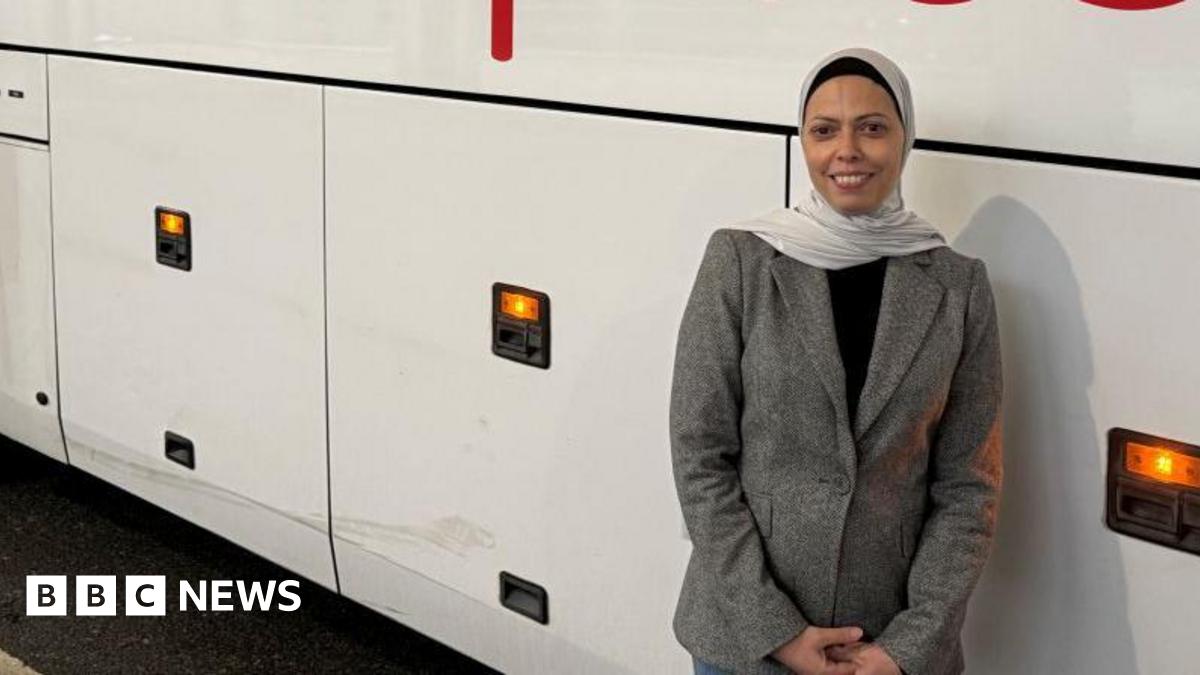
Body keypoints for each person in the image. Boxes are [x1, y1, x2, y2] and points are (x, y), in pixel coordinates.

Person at [669, 47, 1003, 675]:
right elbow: (699, 457)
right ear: (804, 142)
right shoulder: (742, 261)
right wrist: (778, 632)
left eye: (871, 127)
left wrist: (908, 647)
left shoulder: (958, 287)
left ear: (904, 138)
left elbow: (968, 487)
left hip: (883, 647)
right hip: (744, 640)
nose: (847, 150)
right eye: (824, 131)